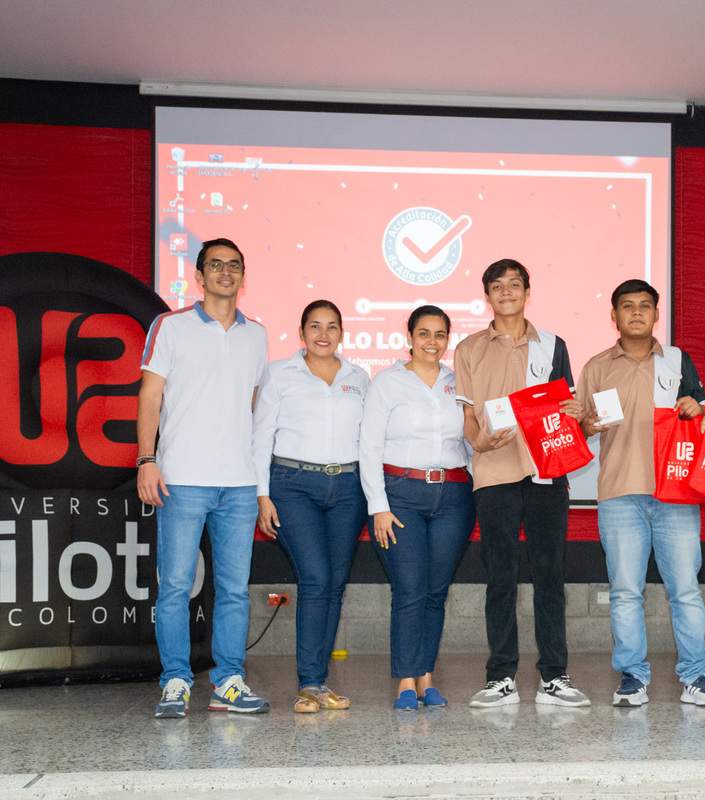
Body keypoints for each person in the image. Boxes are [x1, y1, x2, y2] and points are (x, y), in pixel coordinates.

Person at [138, 237, 270, 718]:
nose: (225, 272)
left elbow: (253, 408)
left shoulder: (256, 335)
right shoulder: (170, 327)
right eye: (216, 265)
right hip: (182, 480)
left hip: (237, 483)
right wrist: (145, 460)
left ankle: (228, 681)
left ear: (242, 275)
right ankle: (174, 681)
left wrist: (259, 483)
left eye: (234, 265)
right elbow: (149, 397)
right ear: (199, 276)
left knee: (235, 589)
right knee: (174, 585)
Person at [578, 279, 705, 708]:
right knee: (625, 592)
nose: (637, 312)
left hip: (675, 492)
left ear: (657, 314)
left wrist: (698, 410)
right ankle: (633, 677)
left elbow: (703, 415)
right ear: (614, 316)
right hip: (620, 493)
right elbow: (579, 426)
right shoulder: (597, 366)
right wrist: (590, 426)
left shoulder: (678, 361)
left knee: (685, 590)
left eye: (645, 305)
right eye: (627, 306)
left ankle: (696, 676)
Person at [453, 259, 590, 708]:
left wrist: (577, 416)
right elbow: (469, 419)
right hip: (493, 472)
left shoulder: (553, 344)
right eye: (498, 286)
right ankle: (501, 677)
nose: (507, 292)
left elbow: (564, 408)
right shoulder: (469, 348)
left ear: (528, 292)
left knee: (550, 574)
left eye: (515, 284)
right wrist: (480, 441)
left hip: (546, 471)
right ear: (487, 295)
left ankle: (554, 675)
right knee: (500, 576)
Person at [251, 300, 369, 713]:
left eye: (331, 326)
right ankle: (309, 682)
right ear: (301, 332)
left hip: (349, 487)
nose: (323, 334)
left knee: (334, 584)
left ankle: (319, 683)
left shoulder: (360, 377)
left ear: (341, 333)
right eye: (315, 326)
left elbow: (368, 441)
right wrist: (262, 495)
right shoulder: (280, 374)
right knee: (316, 577)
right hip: (292, 484)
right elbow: (261, 435)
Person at [359, 305, 475, 711]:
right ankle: (406, 681)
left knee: (435, 592)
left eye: (440, 334)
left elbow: (470, 441)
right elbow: (368, 447)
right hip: (401, 494)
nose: (432, 341)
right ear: (409, 337)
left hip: (454, 497)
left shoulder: (458, 382)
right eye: (423, 333)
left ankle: (427, 677)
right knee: (409, 588)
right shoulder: (387, 383)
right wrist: (378, 506)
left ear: (448, 339)